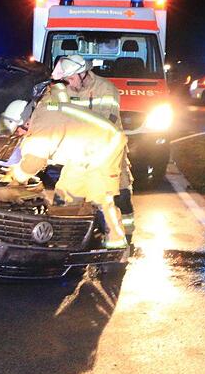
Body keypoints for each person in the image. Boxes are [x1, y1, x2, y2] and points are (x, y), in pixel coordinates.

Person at [4, 96, 129, 250]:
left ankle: (117, 248)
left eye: (18, 130)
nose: (19, 134)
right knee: (65, 195)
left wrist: (15, 176)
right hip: (86, 149)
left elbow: (33, 164)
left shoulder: (40, 128)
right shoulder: (44, 109)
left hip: (106, 144)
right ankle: (66, 241)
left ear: (25, 122)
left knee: (101, 197)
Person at [39, 54, 135, 238]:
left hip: (108, 156)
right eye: (65, 80)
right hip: (77, 158)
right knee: (64, 199)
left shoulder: (106, 90)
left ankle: (125, 240)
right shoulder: (62, 90)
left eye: (71, 78)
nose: (69, 83)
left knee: (118, 198)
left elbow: (106, 126)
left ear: (83, 73)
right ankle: (65, 239)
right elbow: (48, 113)